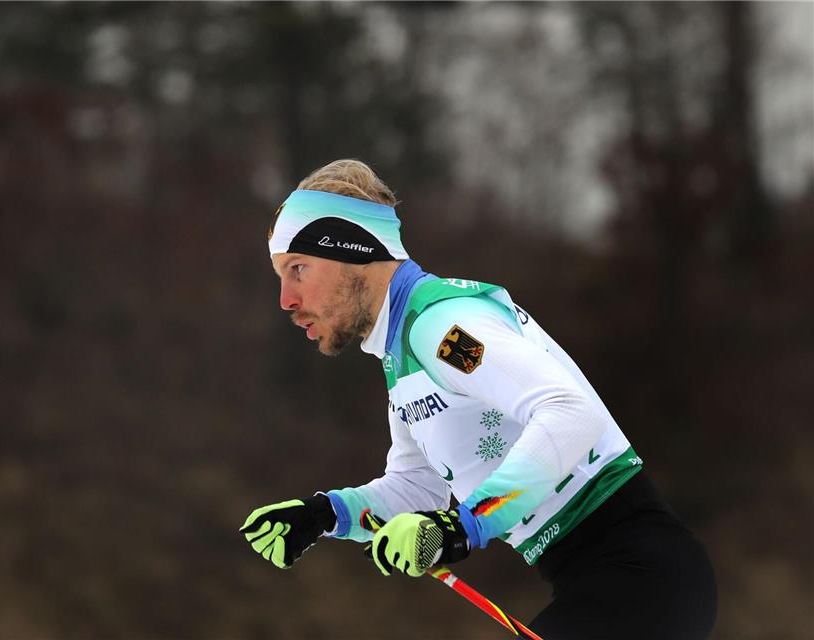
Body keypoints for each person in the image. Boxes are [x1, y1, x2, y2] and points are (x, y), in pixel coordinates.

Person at [240, 159, 717, 639]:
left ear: (351, 250)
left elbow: (571, 412)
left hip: (641, 576)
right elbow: (417, 490)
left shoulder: (443, 329)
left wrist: (461, 528)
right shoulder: (404, 357)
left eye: (297, 269)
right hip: (602, 583)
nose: (286, 298)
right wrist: (324, 515)